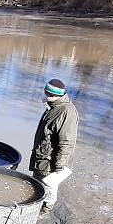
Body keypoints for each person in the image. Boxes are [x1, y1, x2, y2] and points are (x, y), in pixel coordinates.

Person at [30, 78, 79, 215]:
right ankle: (36, 208)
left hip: (51, 162)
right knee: (37, 185)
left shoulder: (66, 112)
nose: (44, 95)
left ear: (51, 94)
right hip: (42, 158)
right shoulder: (53, 107)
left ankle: (45, 210)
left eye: (46, 93)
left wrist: (59, 166)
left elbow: (66, 141)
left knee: (48, 186)